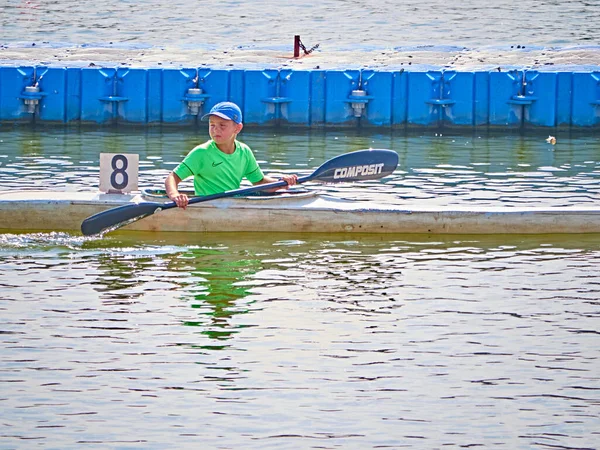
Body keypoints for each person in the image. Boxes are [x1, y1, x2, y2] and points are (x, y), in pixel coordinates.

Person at [165, 101, 298, 209]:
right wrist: (175, 195)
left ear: (238, 128)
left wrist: (281, 182)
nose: (215, 129)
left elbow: (259, 182)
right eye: (212, 125)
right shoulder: (201, 153)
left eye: (222, 125)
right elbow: (172, 177)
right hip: (206, 207)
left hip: (231, 206)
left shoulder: (244, 152)